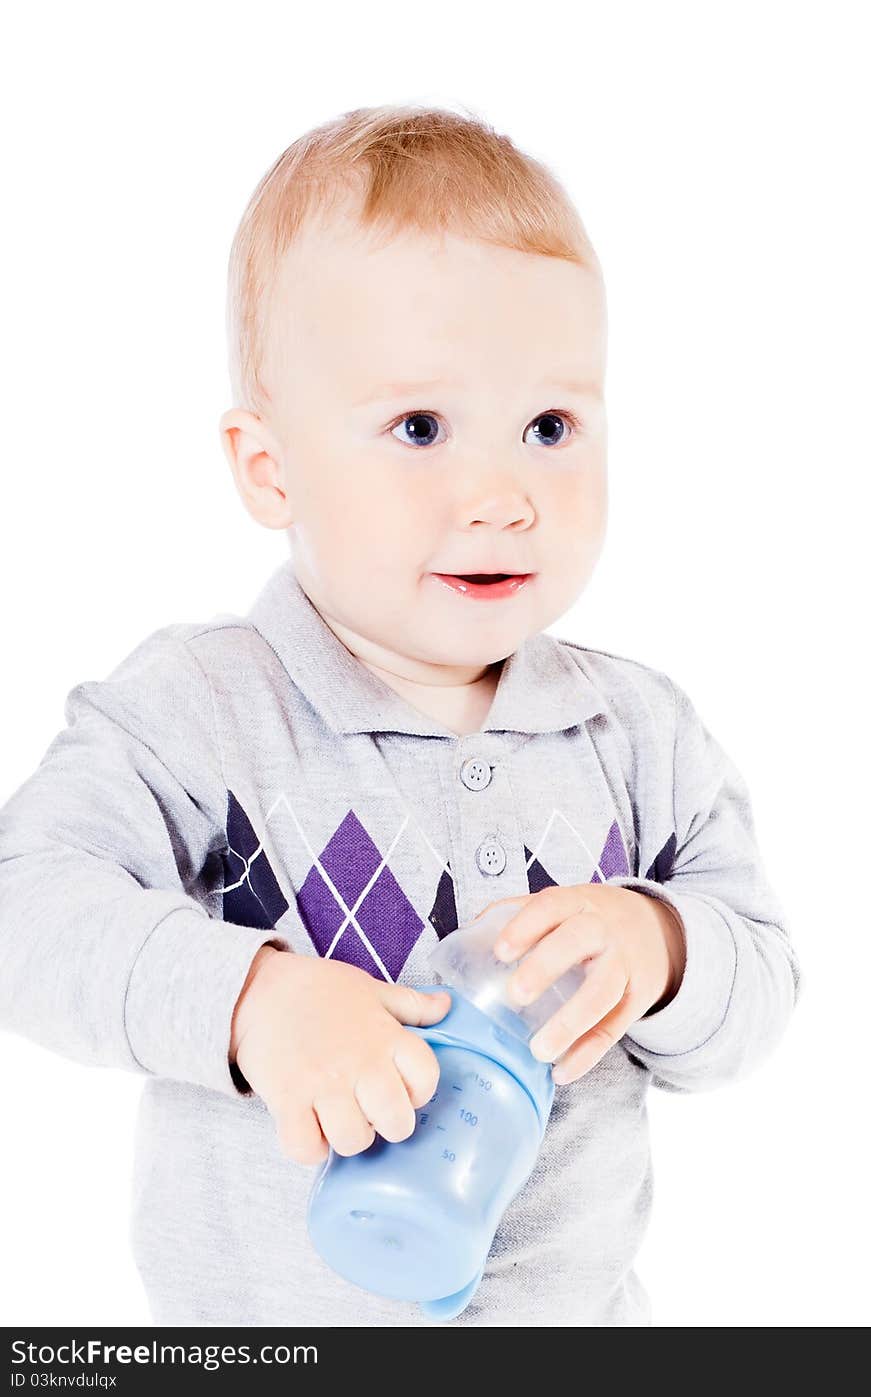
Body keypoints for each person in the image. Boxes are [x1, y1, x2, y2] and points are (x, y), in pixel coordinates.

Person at [0, 104, 801, 1327]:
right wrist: (251, 999)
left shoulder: (636, 732)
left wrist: (662, 946)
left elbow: (759, 985)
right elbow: (27, 902)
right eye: (420, 427)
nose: (500, 492)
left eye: (549, 427)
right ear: (270, 468)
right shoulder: (202, 710)